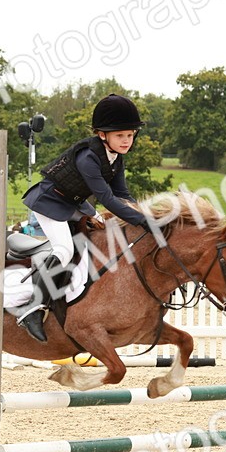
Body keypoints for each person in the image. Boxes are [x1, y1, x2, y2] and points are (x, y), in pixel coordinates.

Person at [16, 93, 151, 342]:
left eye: (130, 135)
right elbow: (107, 198)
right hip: (49, 202)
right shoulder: (88, 158)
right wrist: (141, 221)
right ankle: (31, 308)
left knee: (97, 236)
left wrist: (145, 214)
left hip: (73, 203)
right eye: (120, 135)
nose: (126, 141)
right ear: (102, 134)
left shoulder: (115, 159)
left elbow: (122, 194)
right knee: (65, 250)